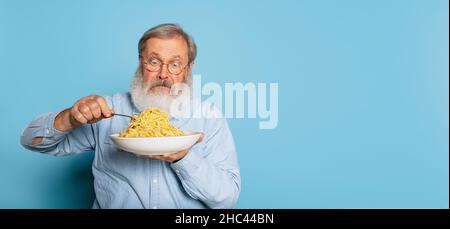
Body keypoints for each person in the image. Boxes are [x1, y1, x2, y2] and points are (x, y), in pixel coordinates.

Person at [20, 23, 240, 209]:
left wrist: (183, 157)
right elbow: (33, 142)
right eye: (154, 61)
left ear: (188, 69)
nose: (163, 74)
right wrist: (69, 118)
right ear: (140, 62)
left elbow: (226, 198)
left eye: (174, 64)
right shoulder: (107, 110)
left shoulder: (208, 117)